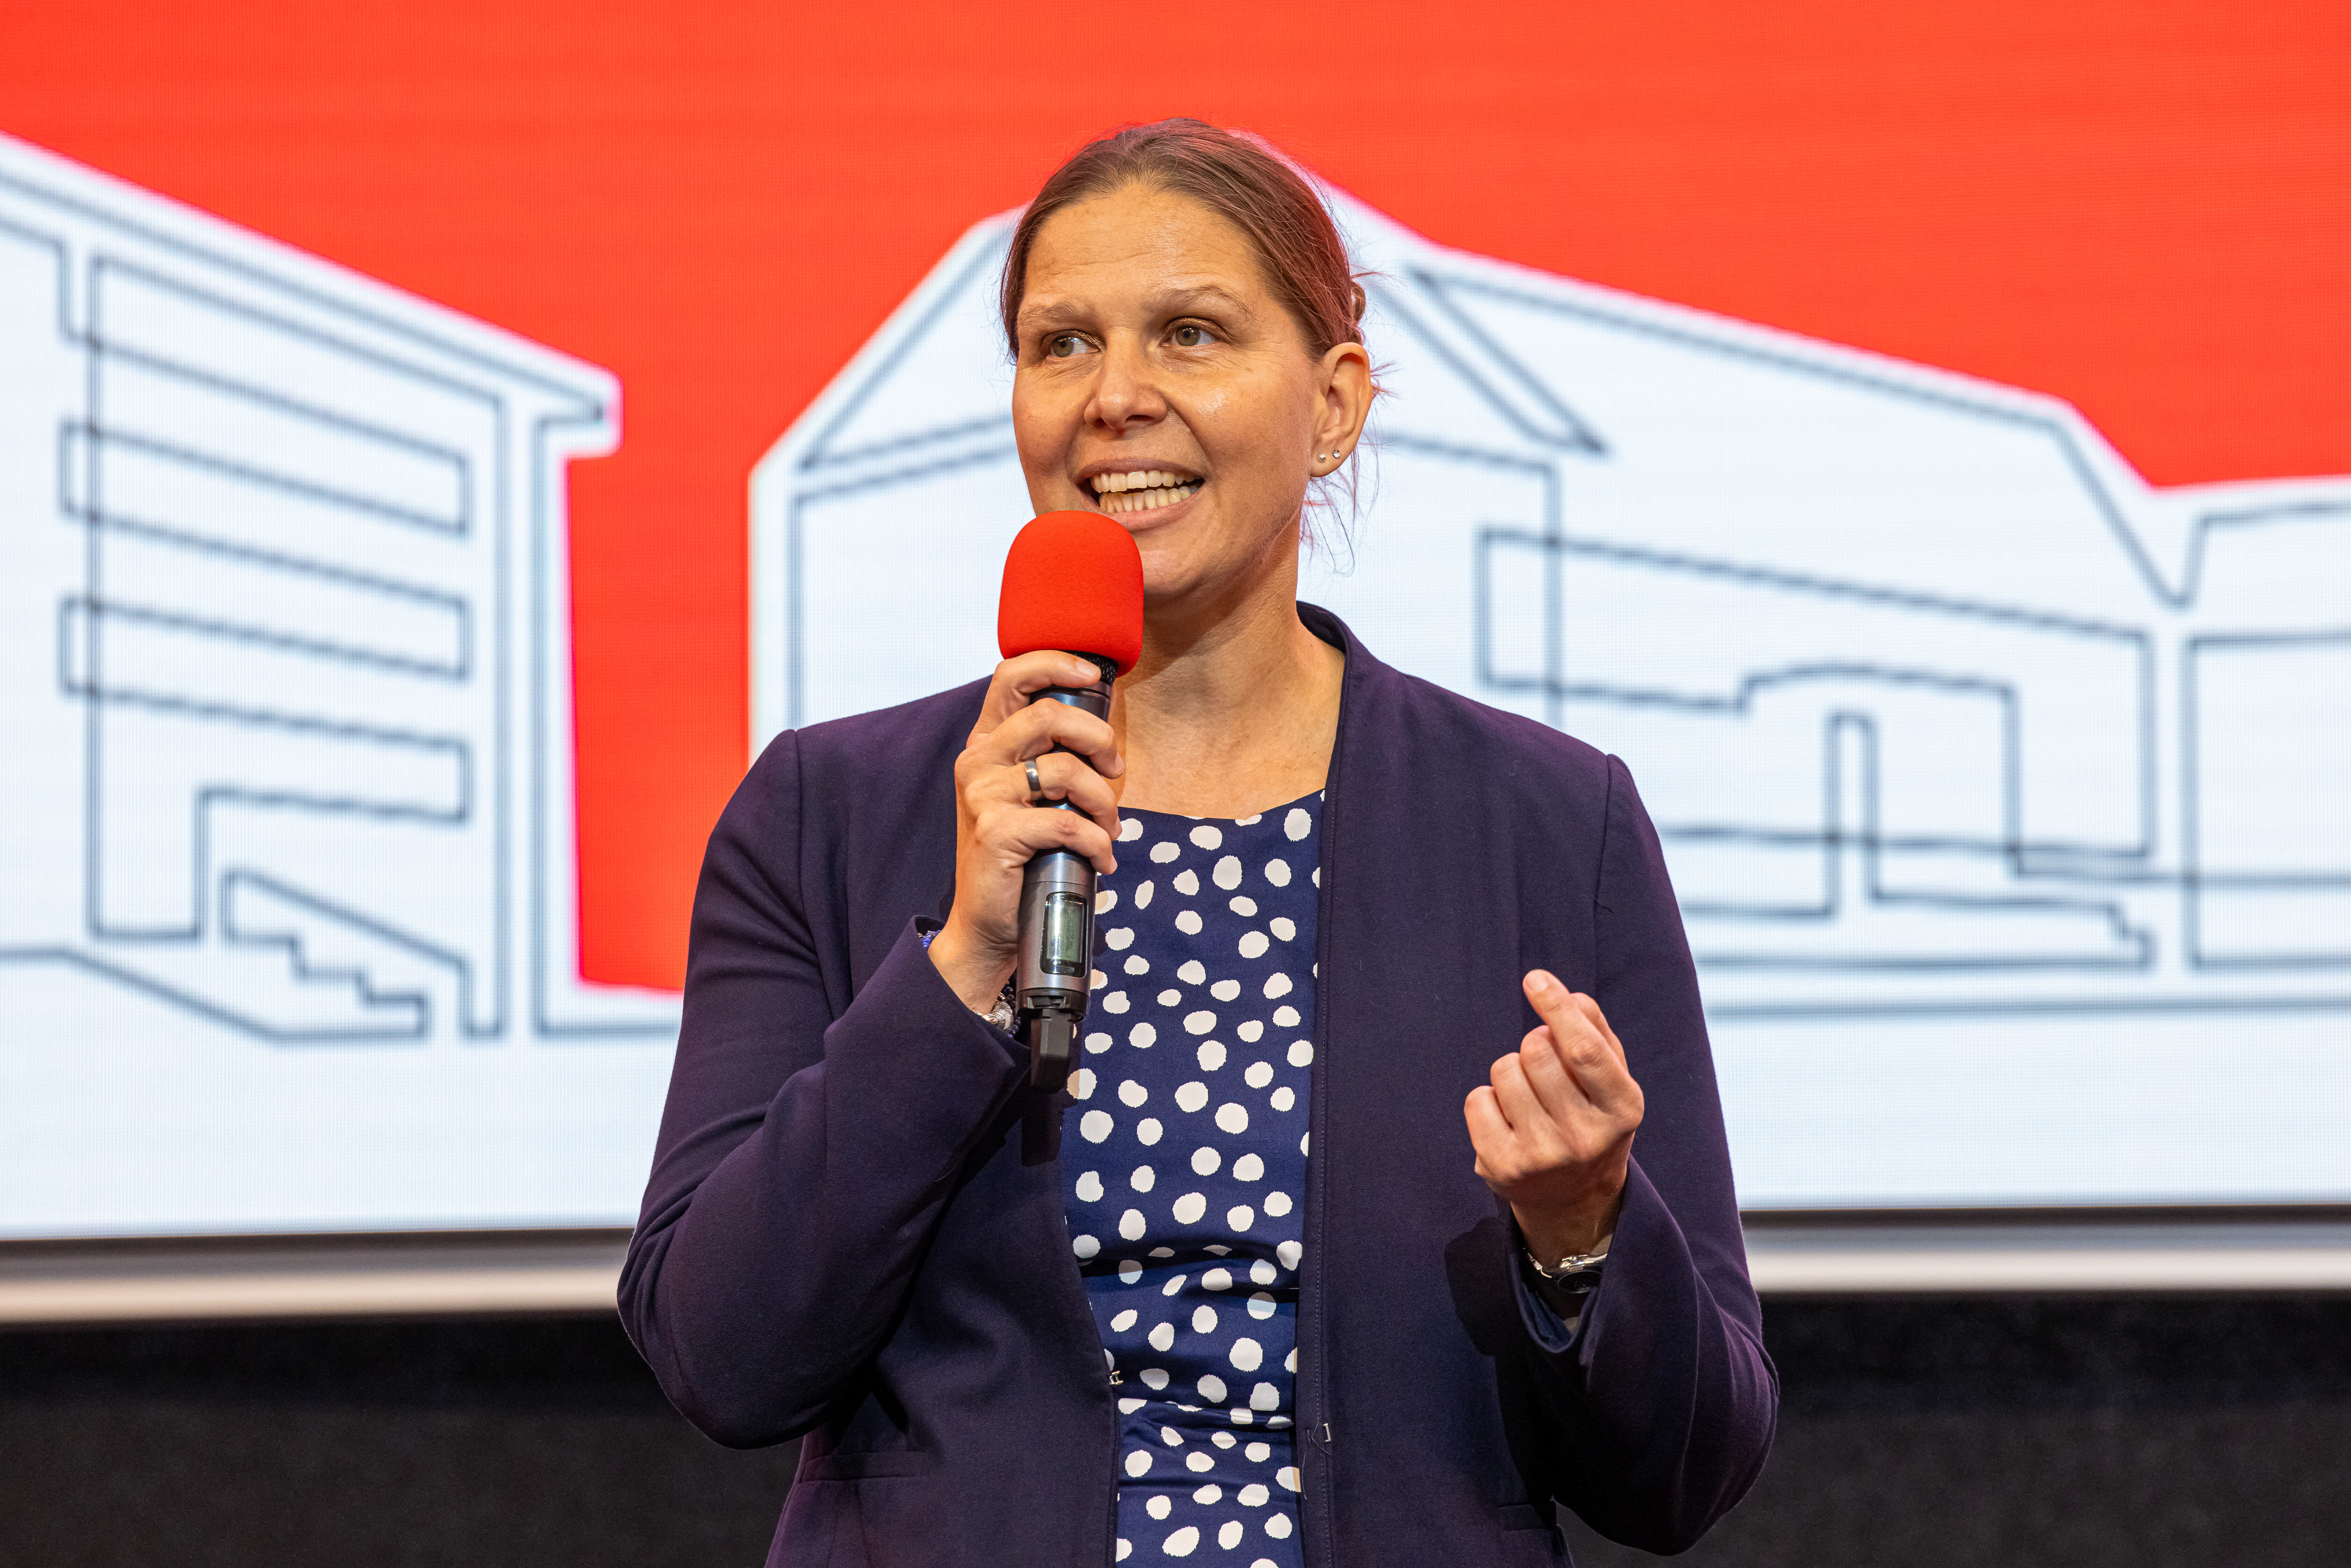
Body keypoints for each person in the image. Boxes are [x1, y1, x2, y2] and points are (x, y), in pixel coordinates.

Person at [621, 119, 1775, 1568]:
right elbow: (722, 1356)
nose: (1116, 398)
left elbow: (1692, 1468)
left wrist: (1582, 1232)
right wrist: (960, 967)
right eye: (1061, 345)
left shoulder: (1548, 822)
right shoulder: (827, 812)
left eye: (1191, 334)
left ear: (1334, 403)